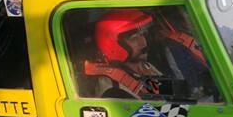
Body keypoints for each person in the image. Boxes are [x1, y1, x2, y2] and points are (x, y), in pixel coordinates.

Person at [85, 9, 213, 100]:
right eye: (134, 38)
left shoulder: (141, 68)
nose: (143, 42)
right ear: (112, 44)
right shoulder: (114, 91)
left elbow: (172, 91)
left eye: (142, 35)